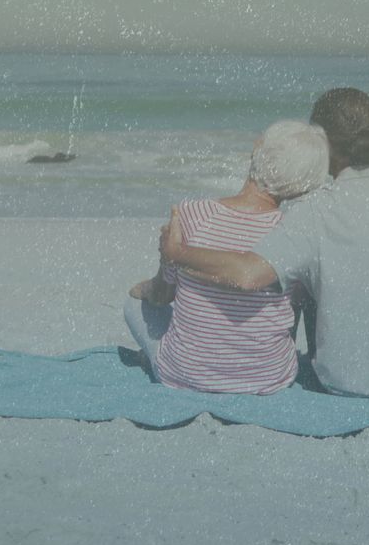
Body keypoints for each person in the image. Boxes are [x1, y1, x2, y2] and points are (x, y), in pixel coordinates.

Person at [161, 88, 369, 399]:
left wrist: (178, 254)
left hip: (340, 379)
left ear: (323, 145)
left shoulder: (312, 210)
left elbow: (247, 274)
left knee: (309, 273)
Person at [123, 120, 330, 394]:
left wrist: (148, 287)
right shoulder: (291, 234)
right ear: (305, 186)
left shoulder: (193, 214)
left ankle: (164, 356)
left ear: (256, 150)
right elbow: (295, 302)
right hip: (268, 379)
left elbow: (163, 295)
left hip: (186, 374)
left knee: (134, 305)